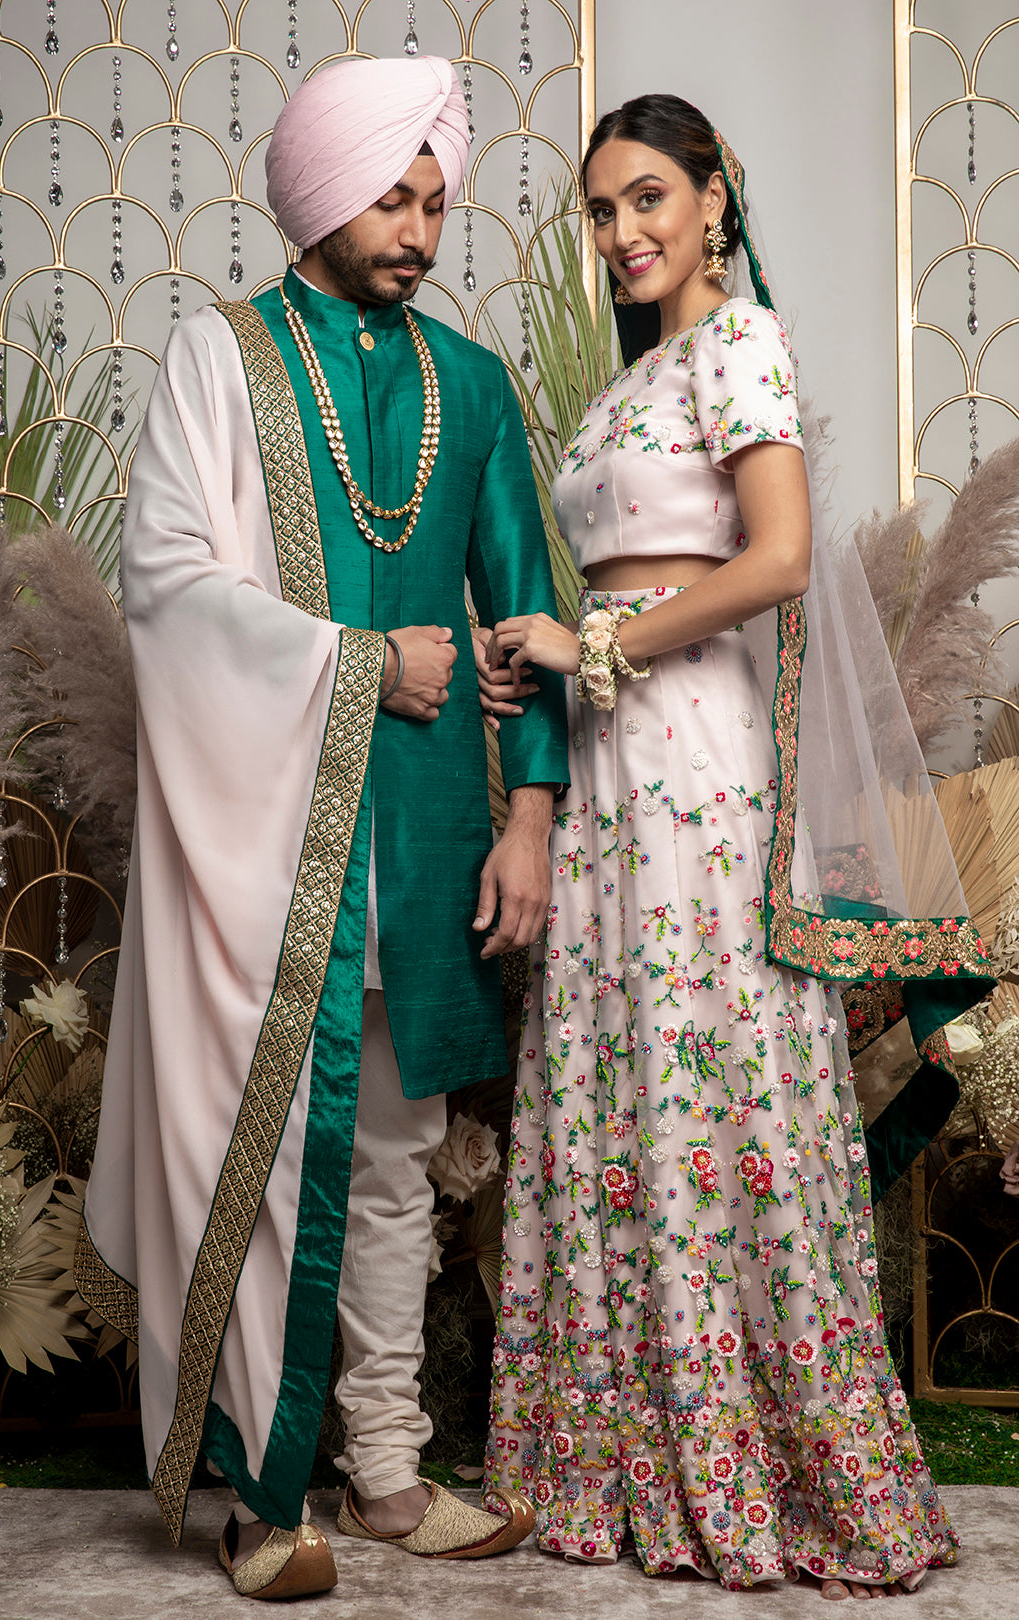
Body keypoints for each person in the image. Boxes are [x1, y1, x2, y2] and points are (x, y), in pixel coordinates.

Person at [482, 94, 991, 1597]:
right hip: (605, 762)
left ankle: (757, 1450)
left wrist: (600, 640)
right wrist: (543, 654)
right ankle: (617, 1452)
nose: (624, 233)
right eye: (600, 212)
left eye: (650, 199)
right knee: (616, 1065)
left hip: (695, 769)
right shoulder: (629, 387)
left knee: (708, 1062)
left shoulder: (741, 344)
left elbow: (771, 561)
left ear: (716, 198)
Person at [75, 55, 567, 1601]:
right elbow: (165, 583)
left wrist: (531, 818)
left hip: (426, 833)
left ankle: (388, 1472)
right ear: (313, 189)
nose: (419, 228)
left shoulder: (473, 387)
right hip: (263, 843)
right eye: (390, 195)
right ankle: (257, 1489)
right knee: (271, 1146)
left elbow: (530, 607)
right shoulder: (217, 362)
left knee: (402, 1159)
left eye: (435, 201)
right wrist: (367, 664)